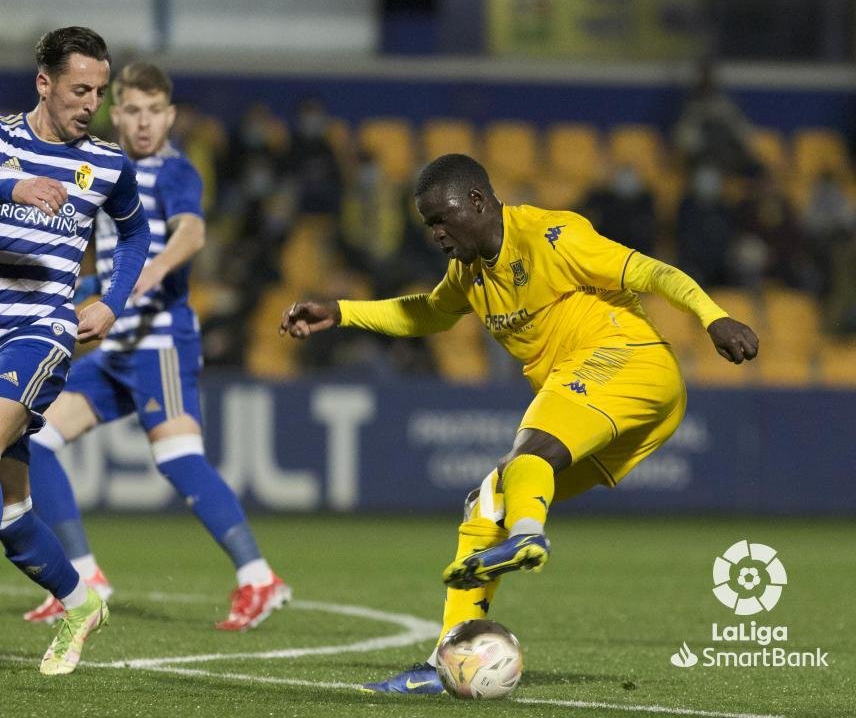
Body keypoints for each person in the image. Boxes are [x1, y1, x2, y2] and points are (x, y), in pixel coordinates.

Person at [279, 154, 759, 693]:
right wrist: (342, 312)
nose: (436, 233)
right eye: (428, 224)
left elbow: (652, 271)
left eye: (442, 218)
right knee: (485, 505)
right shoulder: (467, 272)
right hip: (626, 403)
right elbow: (428, 313)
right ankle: (448, 660)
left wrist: (712, 316)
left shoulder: (551, 236)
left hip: (628, 359)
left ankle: (529, 537)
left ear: (479, 201)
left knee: (528, 454)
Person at [0, 27, 151, 676]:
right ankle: (80, 603)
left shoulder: (108, 165)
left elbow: (136, 231)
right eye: (78, 89)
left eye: (98, 91)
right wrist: (12, 188)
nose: (89, 103)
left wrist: (114, 299)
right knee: (11, 515)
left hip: (43, 331)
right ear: (44, 83)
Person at [23, 62, 291, 630]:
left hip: (161, 342)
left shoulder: (175, 172)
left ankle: (259, 578)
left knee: (177, 458)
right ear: (115, 113)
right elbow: (104, 264)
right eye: (133, 111)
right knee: (35, 440)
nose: (144, 123)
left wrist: (154, 267)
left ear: (169, 116)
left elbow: (192, 230)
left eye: (155, 112)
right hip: (116, 349)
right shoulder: (102, 166)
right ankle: (84, 577)